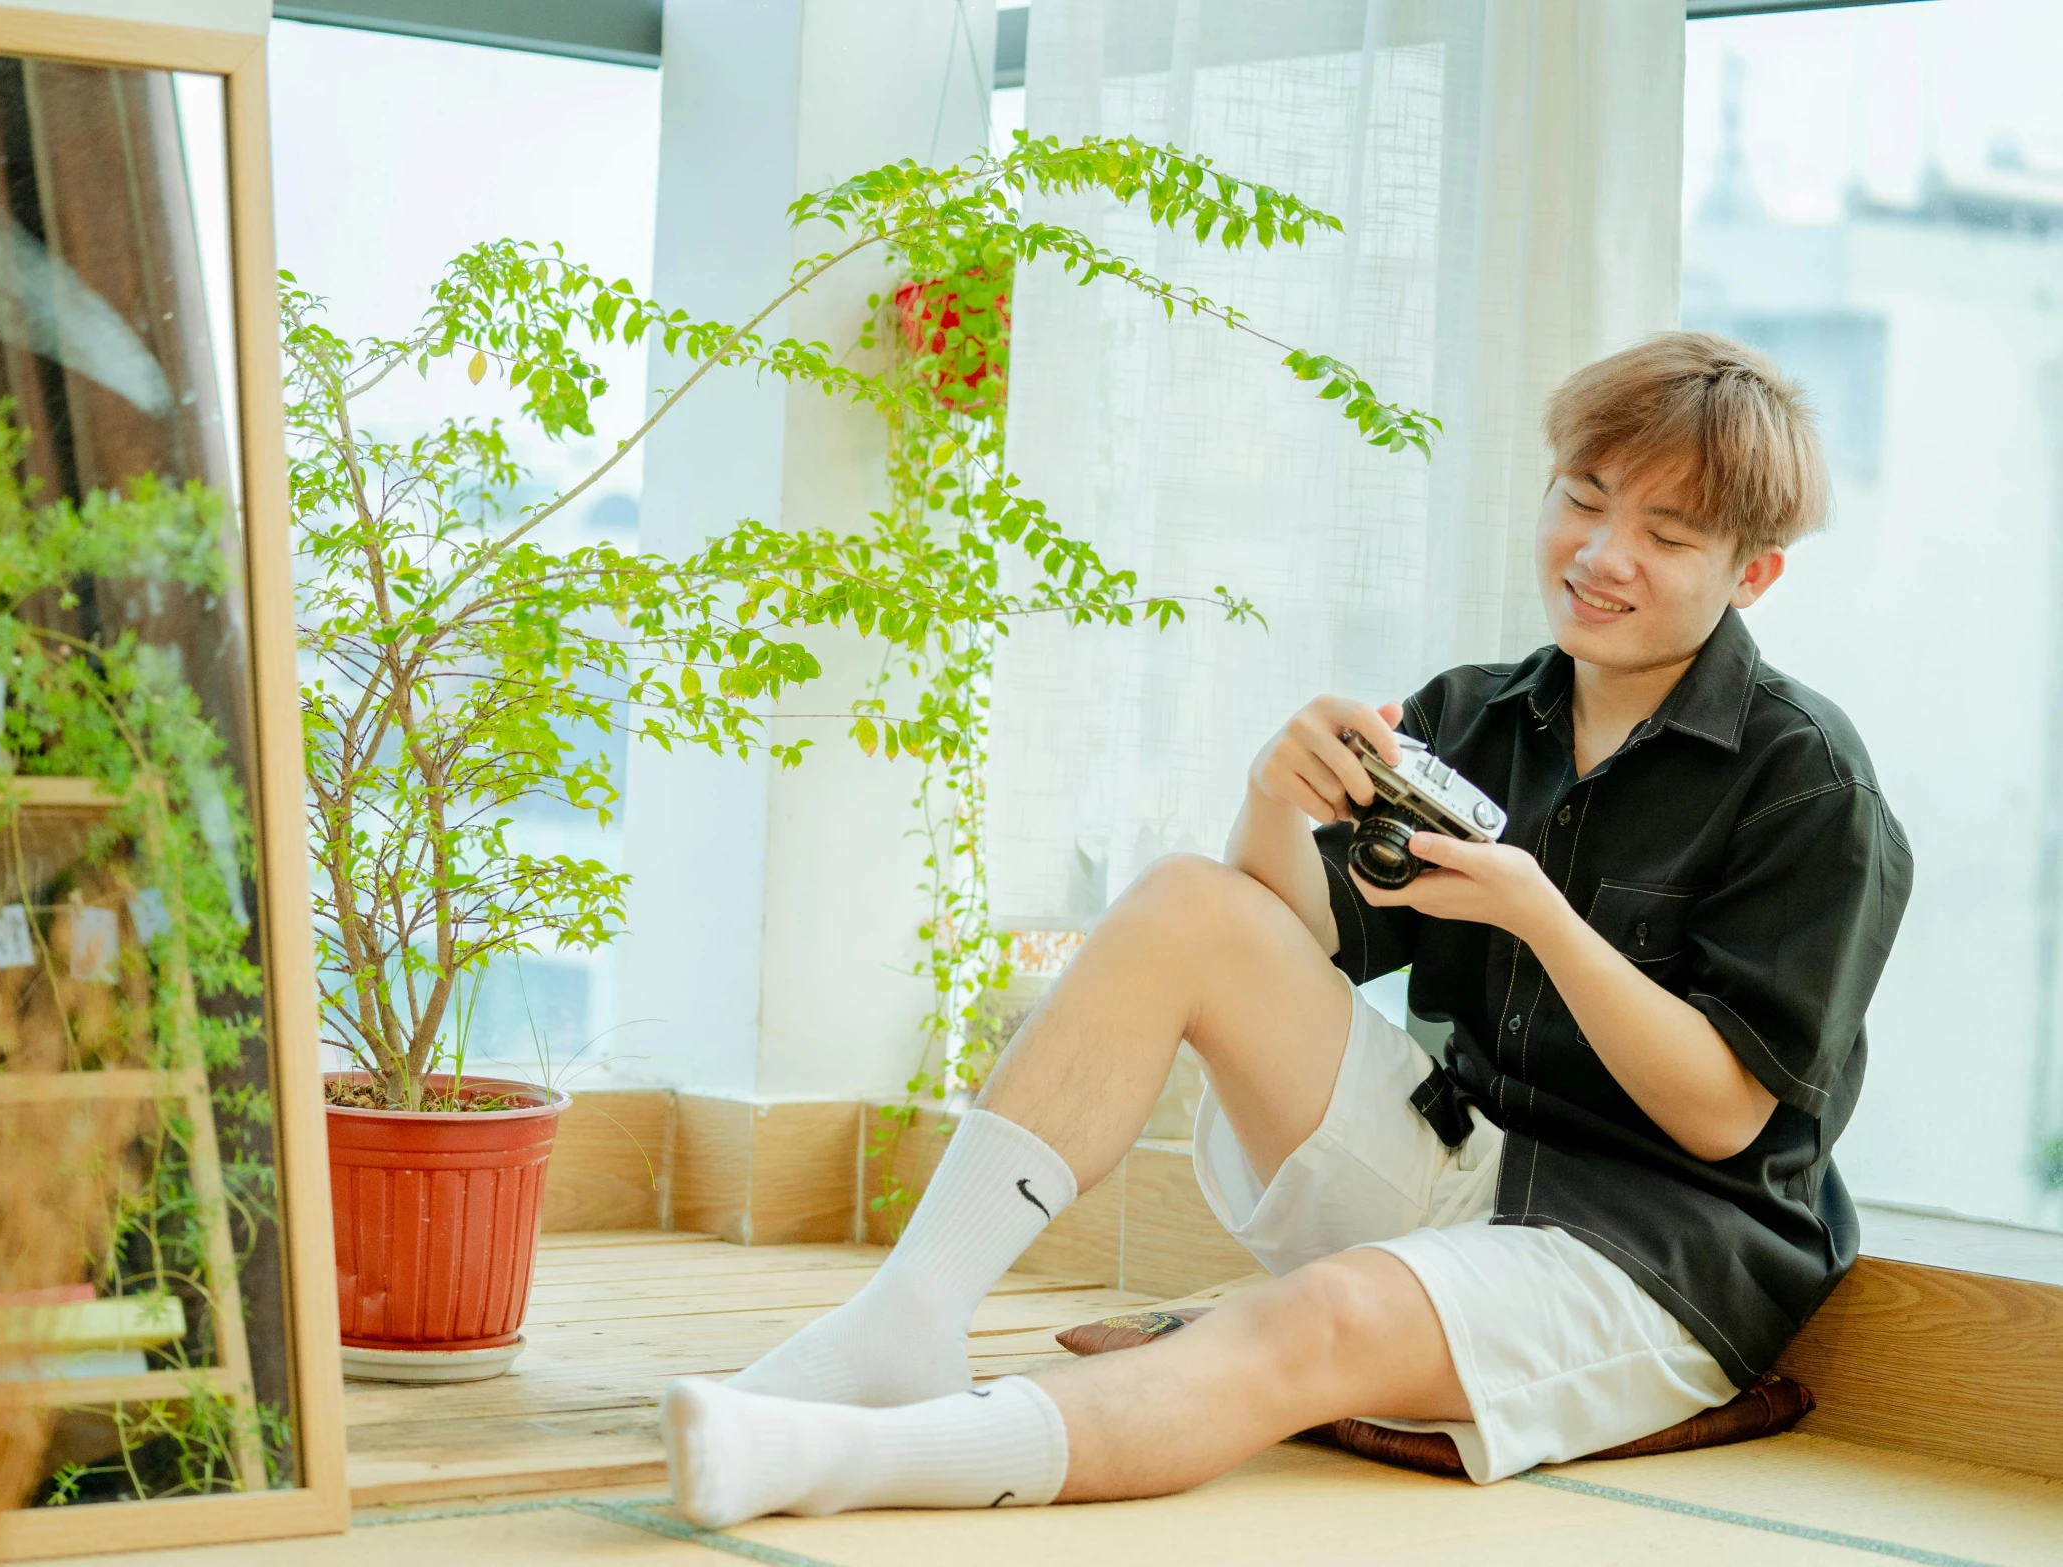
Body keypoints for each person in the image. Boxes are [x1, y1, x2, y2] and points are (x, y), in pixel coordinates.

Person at [658, 332, 1913, 1528]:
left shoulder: (1809, 785)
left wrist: (1541, 913)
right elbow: (1289, 937)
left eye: (1666, 532)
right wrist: (1272, 791)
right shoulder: (1483, 713)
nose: (1600, 552)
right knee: (1185, 900)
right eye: (1581, 498)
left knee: (1319, 1317)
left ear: (1753, 572)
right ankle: (908, 1320)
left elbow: (1723, 1116)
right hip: (1464, 1164)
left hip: (1659, 1254)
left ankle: (849, 1462)